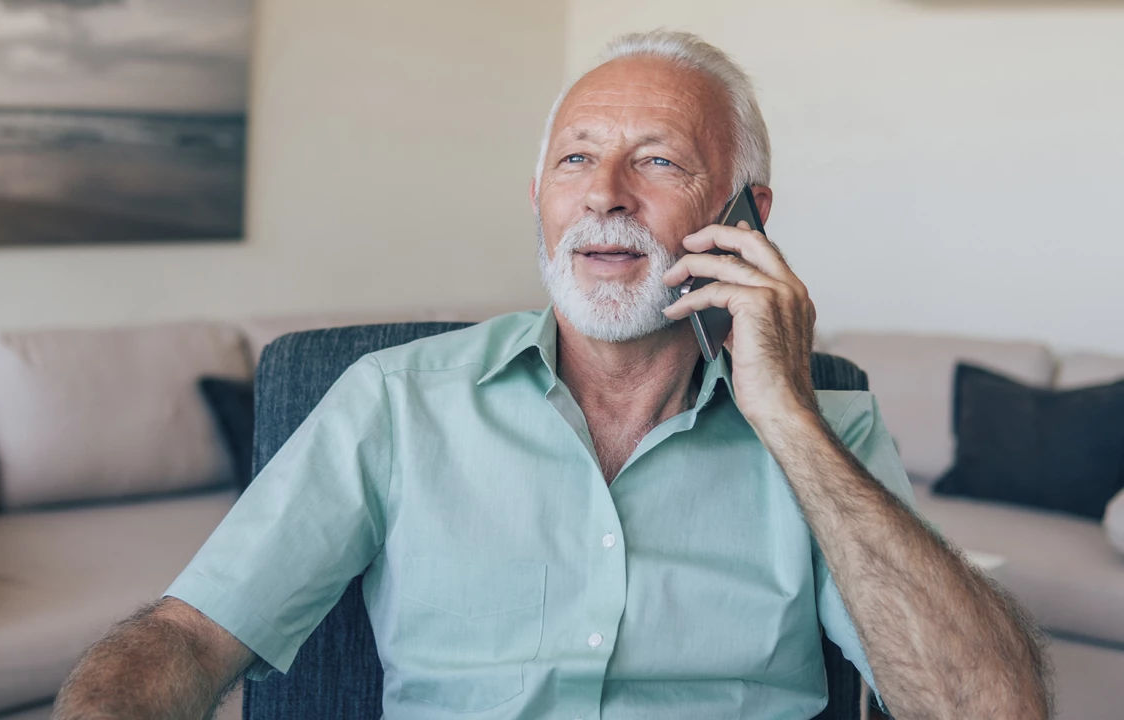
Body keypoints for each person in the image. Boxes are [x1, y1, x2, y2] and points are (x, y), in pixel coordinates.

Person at [55, 30, 1049, 719]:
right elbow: (186, 639)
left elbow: (988, 708)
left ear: (745, 215)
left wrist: (787, 420)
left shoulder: (829, 429)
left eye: (656, 162)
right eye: (575, 161)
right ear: (536, 196)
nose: (602, 199)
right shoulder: (391, 403)